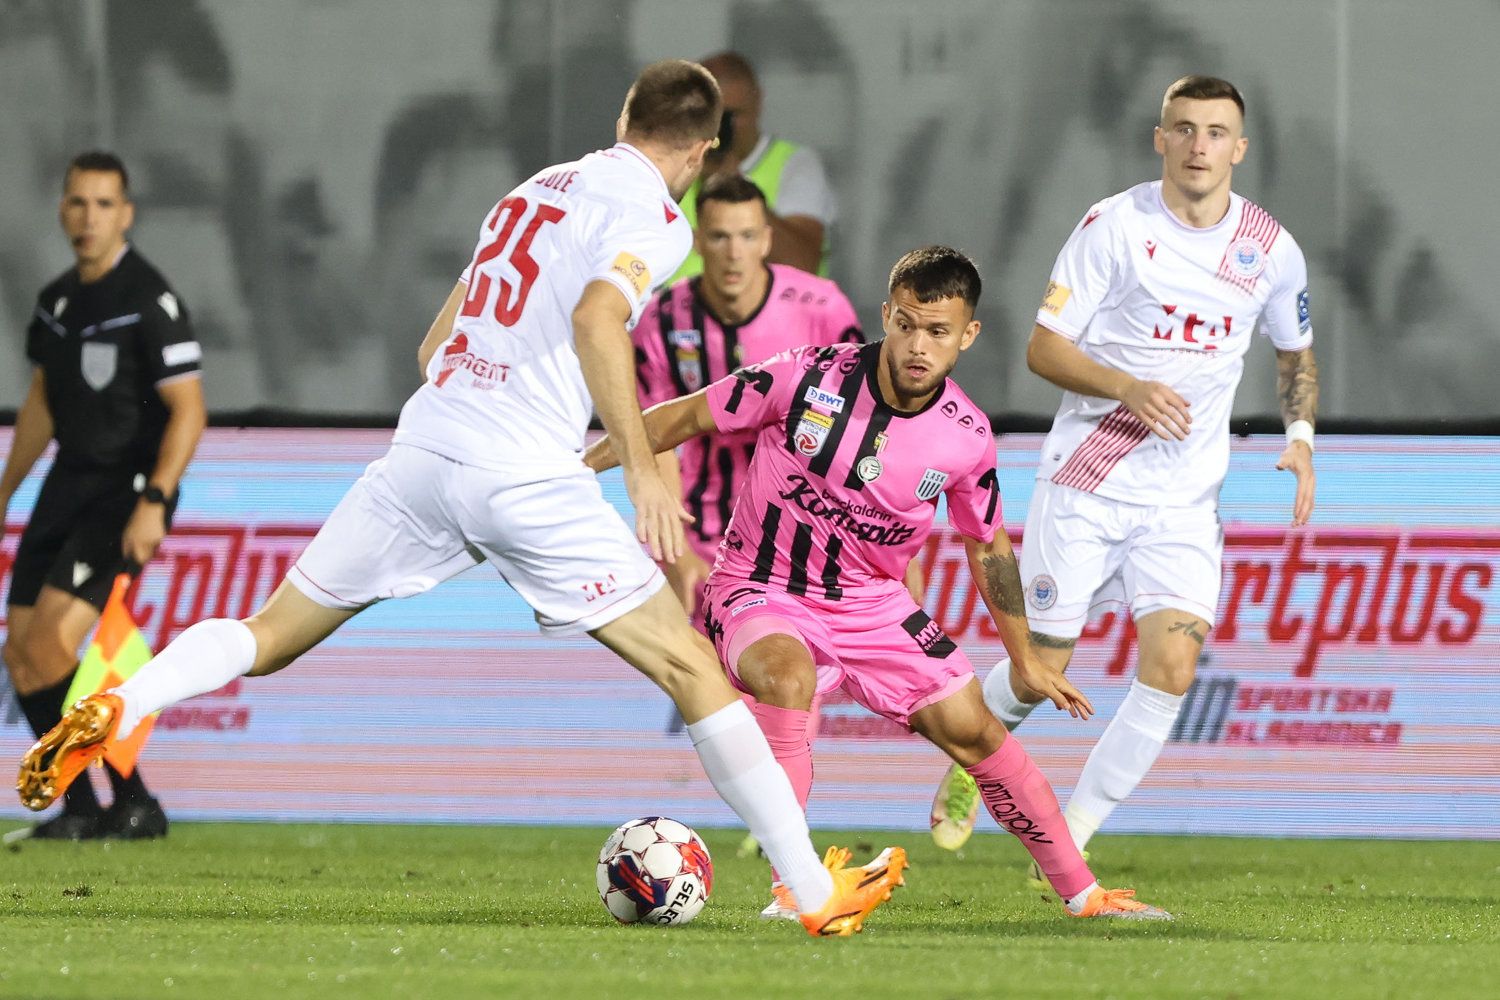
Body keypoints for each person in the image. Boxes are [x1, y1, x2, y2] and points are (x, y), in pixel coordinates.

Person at [19, 61, 904, 939]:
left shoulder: (530, 191)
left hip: (426, 447)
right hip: (522, 471)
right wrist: (636, 464)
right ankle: (810, 892)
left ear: (624, 114)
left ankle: (121, 704)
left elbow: (435, 344)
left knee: (268, 635)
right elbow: (599, 317)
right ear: (703, 150)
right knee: (692, 667)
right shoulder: (657, 220)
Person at [588, 245, 1170, 921]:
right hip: (760, 585)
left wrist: (1023, 658)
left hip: (871, 605)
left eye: (939, 331)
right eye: (909, 324)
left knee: (977, 732)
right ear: (888, 316)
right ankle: (795, 890)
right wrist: (582, 467)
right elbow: (679, 417)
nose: (920, 345)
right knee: (787, 677)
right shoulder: (805, 379)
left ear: (968, 336)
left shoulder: (967, 436)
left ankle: (1083, 893)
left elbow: (989, 547)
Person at [929, 76, 1319, 866]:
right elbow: (1043, 348)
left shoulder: (1270, 250)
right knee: (1043, 668)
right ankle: (969, 759)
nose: (1200, 145)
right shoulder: (1114, 227)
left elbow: (1294, 352)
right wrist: (1126, 386)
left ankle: (1069, 840)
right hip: (1089, 484)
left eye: (1216, 132)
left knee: (1173, 666)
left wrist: (1302, 434)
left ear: (1239, 150)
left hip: (1183, 500)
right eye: (1185, 129)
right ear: (1160, 139)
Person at [2, 151, 207, 840]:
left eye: (102, 204)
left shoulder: (148, 297)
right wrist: (5, 490)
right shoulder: (58, 301)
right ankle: (80, 807)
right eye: (77, 203)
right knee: (21, 649)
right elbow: (42, 402)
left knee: (58, 640)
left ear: (126, 214)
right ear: (62, 211)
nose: (88, 218)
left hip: (124, 491)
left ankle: (136, 801)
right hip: (68, 483)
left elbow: (189, 410)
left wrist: (157, 497)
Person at [634, 172, 862, 621]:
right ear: (697, 241)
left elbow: (866, 426)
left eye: (747, 236)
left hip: (804, 522)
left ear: (767, 240)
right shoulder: (660, 318)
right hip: (703, 526)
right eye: (719, 237)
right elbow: (651, 434)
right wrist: (676, 551)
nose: (734, 253)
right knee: (702, 679)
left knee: (786, 681)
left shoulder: (822, 309)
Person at [668, 51, 836, 281]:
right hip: (677, 314)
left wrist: (736, 189)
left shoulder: (794, 165)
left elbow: (802, 265)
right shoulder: (668, 166)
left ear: (757, 103)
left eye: (731, 116)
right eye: (709, 116)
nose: (720, 128)